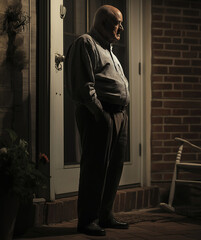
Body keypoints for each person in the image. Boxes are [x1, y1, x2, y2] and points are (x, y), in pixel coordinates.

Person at [64, 5, 129, 236]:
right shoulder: (86, 43)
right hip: (100, 113)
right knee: (95, 167)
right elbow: (83, 85)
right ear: (102, 23)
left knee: (113, 167)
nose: (121, 27)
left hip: (119, 114)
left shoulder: (108, 49)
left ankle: (105, 215)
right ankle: (88, 219)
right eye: (117, 22)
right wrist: (98, 112)